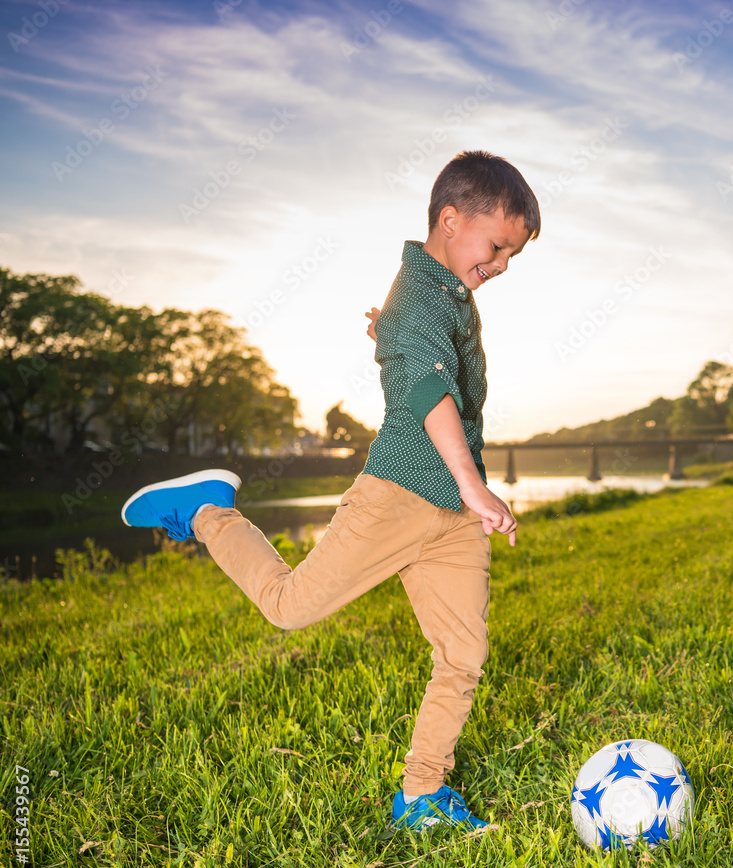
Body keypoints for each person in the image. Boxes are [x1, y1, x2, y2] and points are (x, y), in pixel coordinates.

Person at [120, 150, 540, 832]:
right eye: (495, 246)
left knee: (462, 655)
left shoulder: (436, 297)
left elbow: (422, 359)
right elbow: (430, 391)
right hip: (400, 494)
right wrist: (474, 483)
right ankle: (206, 512)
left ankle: (421, 794)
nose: (498, 265)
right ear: (450, 218)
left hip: (453, 516)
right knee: (290, 607)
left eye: (511, 257)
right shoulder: (417, 300)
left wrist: (392, 339)